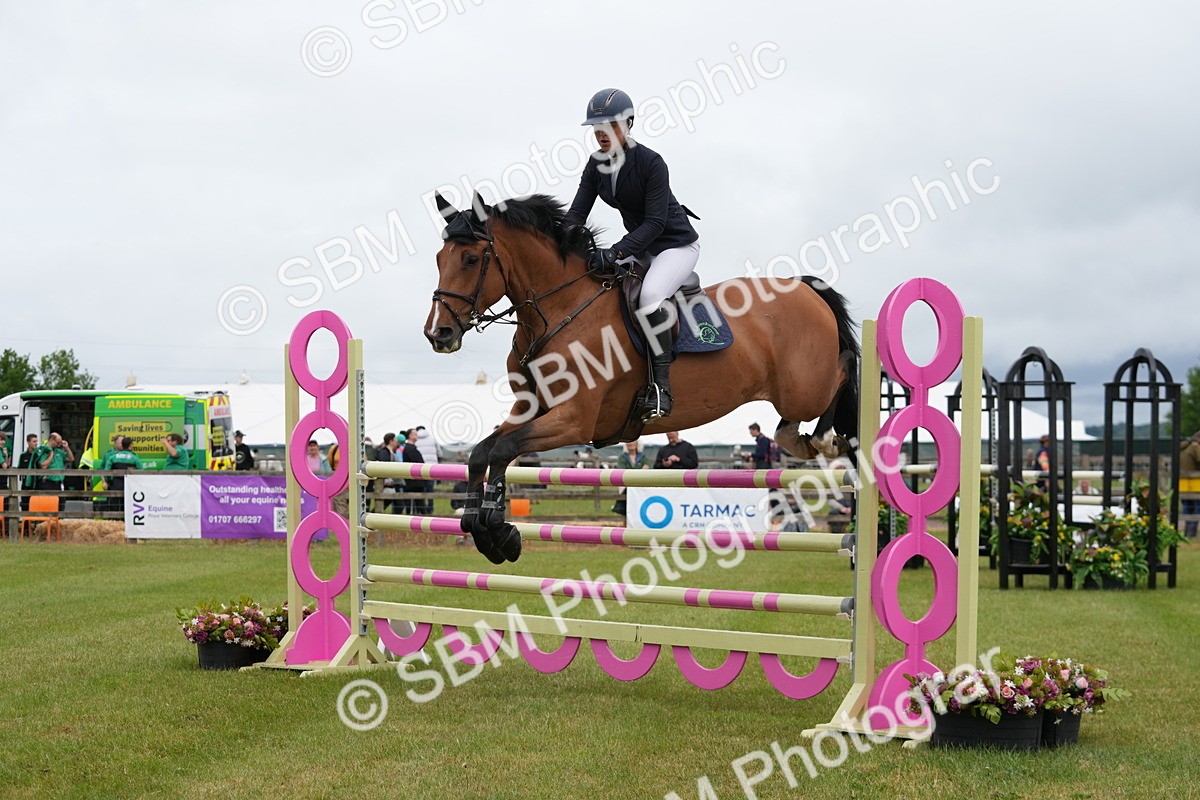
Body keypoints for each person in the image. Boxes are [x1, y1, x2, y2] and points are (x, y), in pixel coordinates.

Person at [563, 88, 701, 423]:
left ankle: (661, 390)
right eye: (595, 127)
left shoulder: (651, 163)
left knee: (651, 297)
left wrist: (616, 251)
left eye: (608, 125)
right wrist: (555, 241)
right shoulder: (596, 165)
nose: (600, 133)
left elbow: (655, 223)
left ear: (627, 124)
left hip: (674, 246)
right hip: (641, 249)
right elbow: (576, 215)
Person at [99, 437, 143, 512]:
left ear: (122, 445)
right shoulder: (135, 458)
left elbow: (106, 472)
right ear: (130, 445)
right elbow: (141, 472)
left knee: (113, 508)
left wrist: (110, 482)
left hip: (115, 485)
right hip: (129, 486)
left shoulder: (112, 457)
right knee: (127, 508)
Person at [612, 439, 649, 515]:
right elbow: (621, 470)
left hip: (640, 484)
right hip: (626, 484)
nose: (631, 443)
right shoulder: (622, 457)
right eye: (629, 442)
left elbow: (647, 466)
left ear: (637, 444)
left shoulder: (643, 457)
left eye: (633, 441)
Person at [399, 429, 425, 515]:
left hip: (415, 480)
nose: (417, 435)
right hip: (414, 481)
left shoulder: (410, 448)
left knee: (418, 503)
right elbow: (418, 462)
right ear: (410, 436)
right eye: (414, 433)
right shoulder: (410, 448)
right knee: (418, 503)